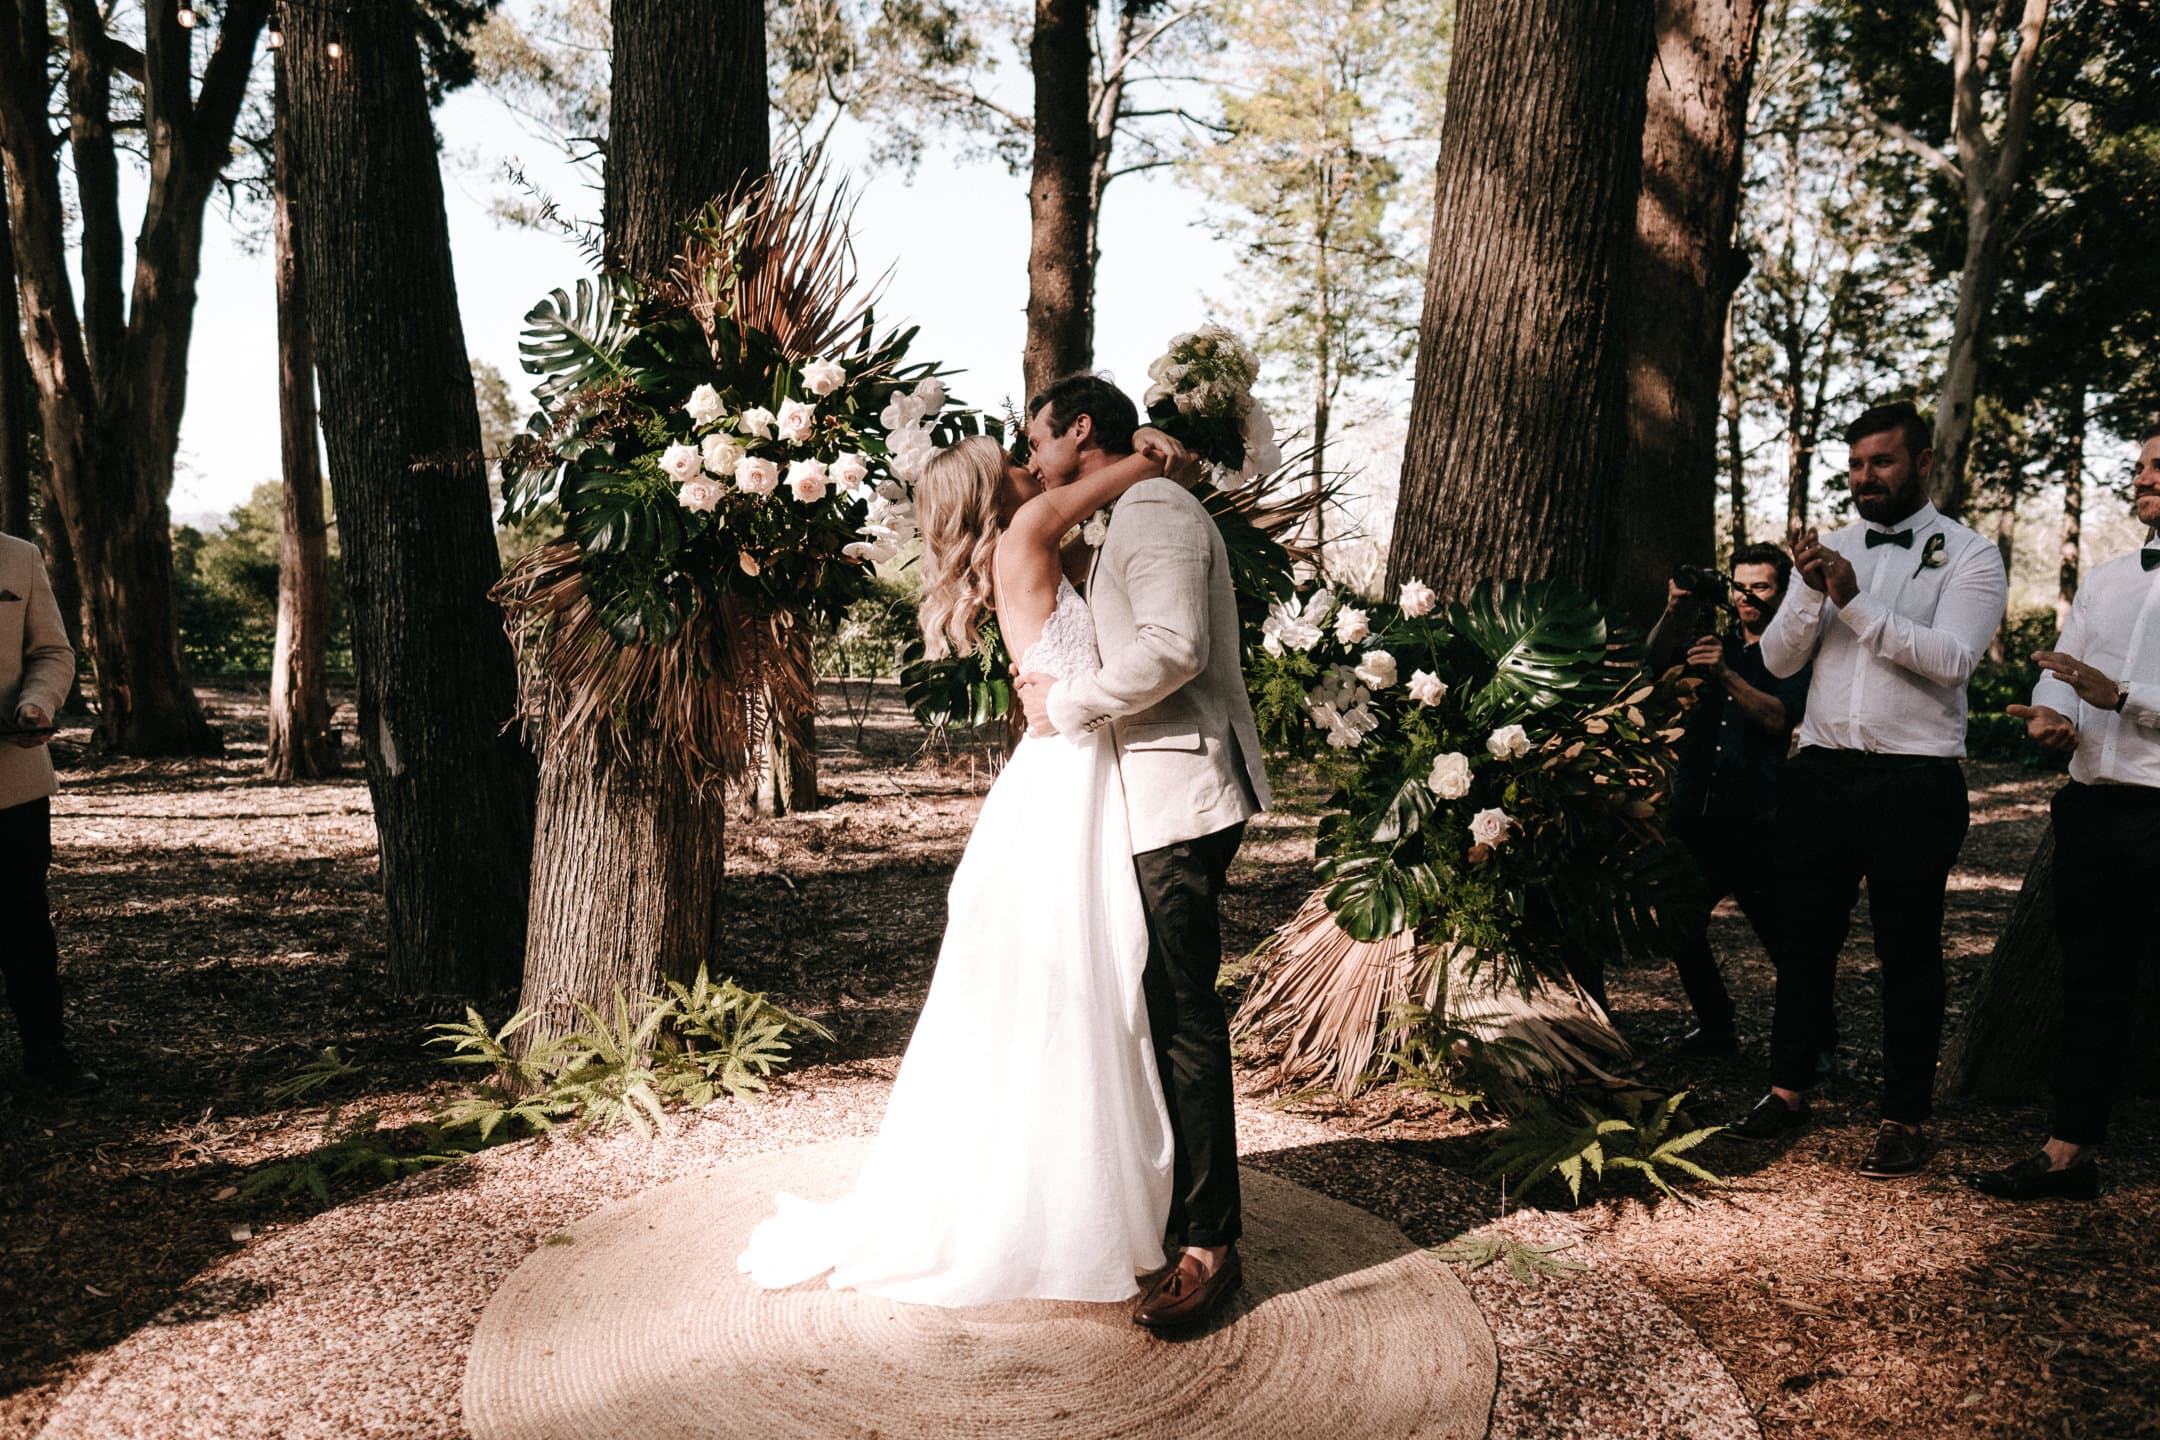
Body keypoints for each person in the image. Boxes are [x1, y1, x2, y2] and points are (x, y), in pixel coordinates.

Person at [738, 426, 1195, 1307]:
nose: (1037, 469)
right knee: (1073, 980)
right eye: (1019, 464)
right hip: (1066, 778)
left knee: (1075, 983)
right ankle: (1059, 1207)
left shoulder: (1020, 552)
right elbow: (1105, 486)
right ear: (995, 492)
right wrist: (1158, 453)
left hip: (1069, 767)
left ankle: (1062, 1189)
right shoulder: (1027, 536)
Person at [1015, 373, 1270, 1331]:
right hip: (1149, 795)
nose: (1033, 456)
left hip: (1179, 795)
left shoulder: (1157, 509)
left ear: (1078, 429)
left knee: (1183, 1014)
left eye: (1038, 437)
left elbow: (1175, 646)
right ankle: (1172, 1203)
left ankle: (1210, 1243)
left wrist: (1066, 704)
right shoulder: (1136, 500)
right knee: (1159, 1004)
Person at [1724, 400, 2007, 1179]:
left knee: (1907, 951)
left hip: (1913, 780)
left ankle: (1903, 1117)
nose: (1864, 478)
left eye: (1881, 462)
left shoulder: (1973, 555)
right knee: (1803, 939)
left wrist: (1853, 596)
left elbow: (1952, 660)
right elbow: (1781, 663)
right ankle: (1786, 1091)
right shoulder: (1833, 550)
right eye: (1854, 465)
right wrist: (1810, 592)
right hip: (1820, 772)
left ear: (1922, 462)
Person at [1972, 426, 2160, 1203]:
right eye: (2144, 464)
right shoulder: (2110, 578)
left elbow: (2102, 684)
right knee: (2090, 983)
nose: (2145, 476)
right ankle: (2068, 1151)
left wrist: (2121, 699)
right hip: (2091, 809)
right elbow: (2063, 669)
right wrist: (2051, 714)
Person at [1646, 545, 1810, 1058]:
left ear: (1782, 591)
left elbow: (1779, 718)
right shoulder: (1711, 640)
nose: (1748, 597)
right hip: (1695, 809)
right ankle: (1716, 1026)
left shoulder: (1793, 650)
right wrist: (1674, 612)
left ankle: (1814, 1042)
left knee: (1785, 939)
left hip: (1757, 816)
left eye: (1760, 587)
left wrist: (1727, 676)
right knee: (1677, 920)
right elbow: (1653, 664)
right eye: (1741, 586)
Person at [0, 530, 94, 1094]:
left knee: (24, 922)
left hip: (12, 779)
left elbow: (53, 652)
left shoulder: (19, 557)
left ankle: (46, 1051)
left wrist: (37, 701)